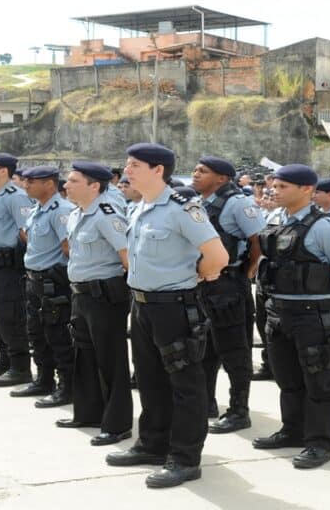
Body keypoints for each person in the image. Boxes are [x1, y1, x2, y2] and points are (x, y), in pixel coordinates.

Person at [104, 143, 228, 489]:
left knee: (185, 384)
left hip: (174, 306)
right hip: (142, 304)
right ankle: (153, 443)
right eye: (126, 164)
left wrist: (196, 276)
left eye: (134, 165)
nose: (126, 170)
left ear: (158, 170)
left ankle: (185, 458)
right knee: (149, 379)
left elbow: (217, 256)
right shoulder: (139, 207)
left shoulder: (181, 208)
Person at [251, 164, 330, 468]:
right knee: (287, 378)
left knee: (320, 380)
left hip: (312, 314)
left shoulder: (326, 228)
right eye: (275, 185)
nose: (275, 190)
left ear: (307, 190)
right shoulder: (277, 221)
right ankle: (293, 431)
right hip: (278, 311)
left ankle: (319, 442)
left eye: (284, 187)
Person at [191, 156, 266, 433]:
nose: (195, 175)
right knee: (204, 348)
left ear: (222, 178)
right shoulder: (199, 203)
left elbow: (258, 241)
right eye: (196, 170)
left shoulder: (238, 203)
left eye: (203, 171)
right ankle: (207, 402)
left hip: (228, 285)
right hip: (202, 285)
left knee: (234, 350)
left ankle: (238, 410)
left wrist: (245, 275)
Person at [61, 161, 134, 444]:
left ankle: (117, 424)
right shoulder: (76, 214)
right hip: (81, 293)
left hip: (105, 296)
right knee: (84, 356)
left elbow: (127, 257)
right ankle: (89, 412)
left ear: (94, 186)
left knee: (111, 360)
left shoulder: (107, 213)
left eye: (73, 181)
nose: (65, 185)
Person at [14, 166, 76, 402]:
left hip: (53, 282)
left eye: (31, 181)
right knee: (37, 334)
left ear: (49, 184)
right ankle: (43, 380)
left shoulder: (61, 210)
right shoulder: (37, 210)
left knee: (58, 336)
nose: (26, 184)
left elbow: (68, 247)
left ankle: (66, 387)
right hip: (34, 280)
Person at [0, 153, 36, 385]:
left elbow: (26, 232)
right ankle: (5, 360)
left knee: (9, 316)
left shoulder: (15, 197)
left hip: (7, 265)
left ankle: (20, 367)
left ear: (3, 171)